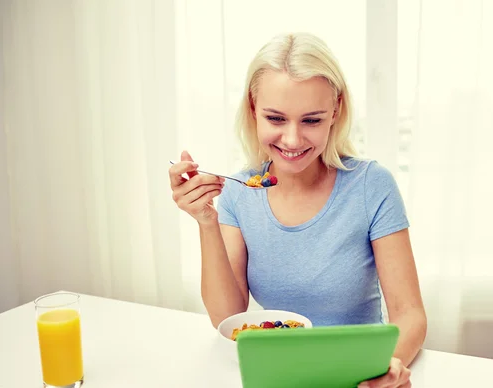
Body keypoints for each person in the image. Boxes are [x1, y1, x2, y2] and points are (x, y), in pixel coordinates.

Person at [169, 32, 426, 388]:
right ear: (252, 109)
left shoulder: (371, 185)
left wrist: (390, 365)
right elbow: (227, 317)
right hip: (278, 376)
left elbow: (410, 313)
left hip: (359, 373)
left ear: (335, 111)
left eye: (311, 120)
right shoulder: (238, 194)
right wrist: (206, 221)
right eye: (275, 119)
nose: (292, 140)